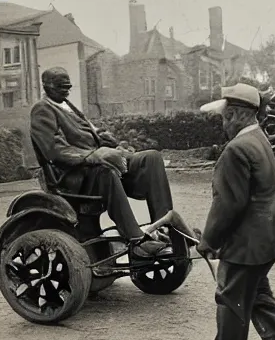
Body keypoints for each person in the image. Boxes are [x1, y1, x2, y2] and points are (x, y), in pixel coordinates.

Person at [187, 82, 275, 340]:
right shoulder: (259, 137)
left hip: (250, 240)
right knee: (255, 286)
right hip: (271, 235)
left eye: (224, 117)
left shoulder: (235, 150)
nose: (222, 124)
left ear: (235, 114)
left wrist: (208, 242)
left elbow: (228, 205)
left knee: (231, 298)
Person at [30, 67, 172, 258]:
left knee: (151, 158)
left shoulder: (68, 106)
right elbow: (53, 150)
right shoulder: (42, 109)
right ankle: (135, 240)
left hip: (94, 167)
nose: (66, 90)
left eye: (68, 86)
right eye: (60, 86)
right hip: (73, 176)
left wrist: (108, 141)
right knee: (106, 170)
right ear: (46, 86)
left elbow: (89, 136)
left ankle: (163, 227)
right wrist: (94, 155)